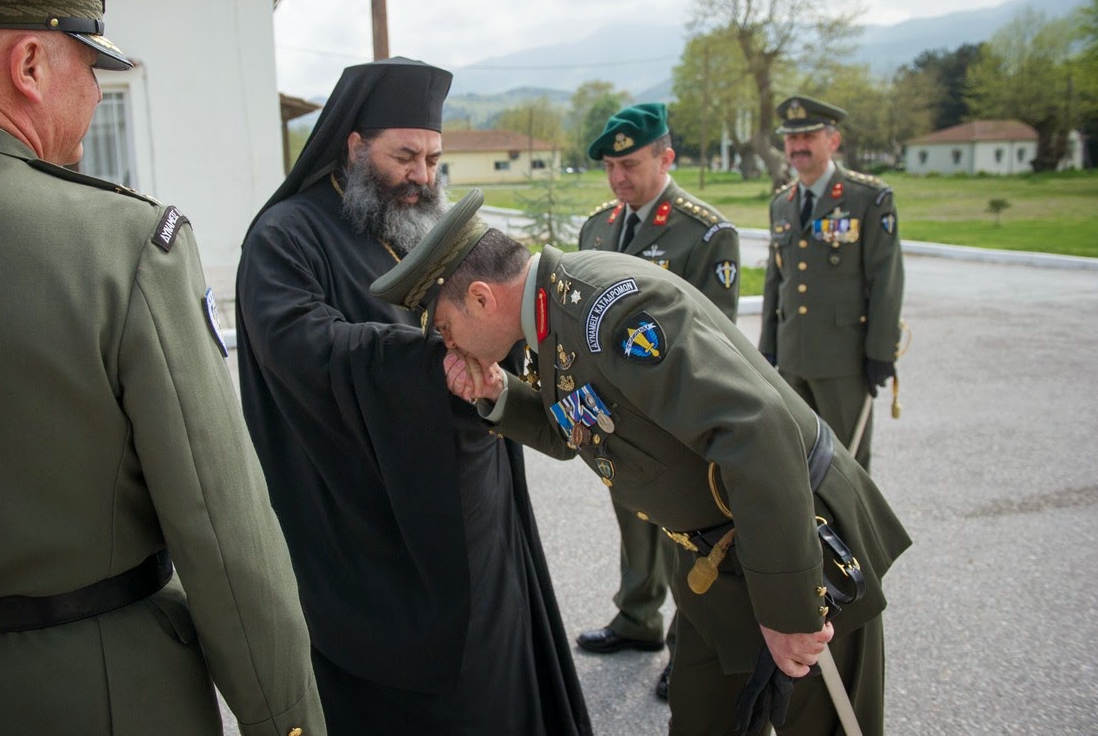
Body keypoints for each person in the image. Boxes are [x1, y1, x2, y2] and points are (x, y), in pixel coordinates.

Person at [0, 0, 324, 736]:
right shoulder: (121, 245)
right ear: (28, 64)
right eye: (90, 69)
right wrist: (288, 722)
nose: (97, 97)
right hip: (96, 690)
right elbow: (220, 531)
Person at [370, 190, 911, 736]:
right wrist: (496, 392)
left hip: (796, 543)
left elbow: (758, 432)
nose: (449, 344)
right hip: (717, 565)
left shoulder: (607, 310)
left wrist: (790, 613)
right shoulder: (551, 317)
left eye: (444, 327)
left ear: (482, 298)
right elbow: (578, 434)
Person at [234, 57, 591, 735]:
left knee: (495, 685)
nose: (422, 176)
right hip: (371, 534)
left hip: (473, 508)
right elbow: (301, 349)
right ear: (352, 144)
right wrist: (432, 360)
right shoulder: (285, 237)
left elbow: (497, 305)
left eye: (432, 157)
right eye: (404, 156)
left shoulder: (425, 225)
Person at [576, 103, 741, 702]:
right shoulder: (597, 227)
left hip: (673, 420)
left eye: (631, 164)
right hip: (616, 416)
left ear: (666, 158)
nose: (619, 178)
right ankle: (637, 619)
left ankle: (687, 648)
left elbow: (716, 340)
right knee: (633, 522)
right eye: (611, 167)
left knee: (684, 536)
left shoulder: (705, 232)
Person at [759, 96, 905, 469]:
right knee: (797, 463)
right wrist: (768, 349)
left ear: (832, 142)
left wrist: (880, 353)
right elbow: (776, 281)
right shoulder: (782, 203)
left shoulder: (867, 199)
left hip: (845, 359)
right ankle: (812, 530)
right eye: (791, 139)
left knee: (848, 467)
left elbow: (885, 281)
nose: (797, 147)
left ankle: (853, 531)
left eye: (807, 136)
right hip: (793, 360)